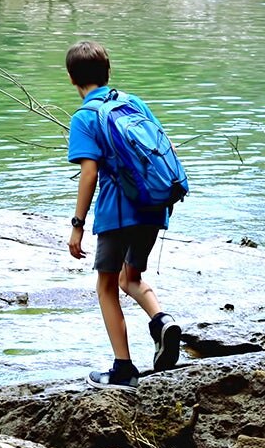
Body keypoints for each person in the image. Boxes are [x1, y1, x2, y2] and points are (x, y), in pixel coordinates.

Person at [64, 39, 183, 386]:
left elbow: (89, 174)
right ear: (107, 72)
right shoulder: (132, 102)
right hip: (154, 205)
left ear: (72, 79)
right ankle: (161, 320)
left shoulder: (85, 117)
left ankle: (123, 369)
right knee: (130, 277)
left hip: (117, 210)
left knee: (106, 285)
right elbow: (165, 146)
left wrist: (77, 225)